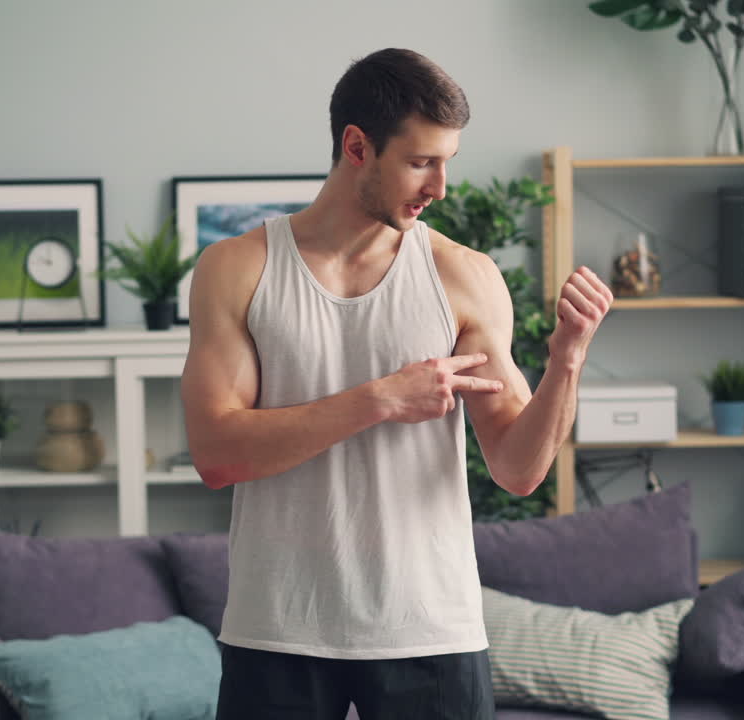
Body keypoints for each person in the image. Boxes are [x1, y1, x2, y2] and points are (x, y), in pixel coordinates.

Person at [181, 47, 613, 720]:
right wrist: (381, 398)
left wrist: (567, 363)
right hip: (278, 629)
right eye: (420, 162)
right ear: (357, 146)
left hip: (431, 631)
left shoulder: (463, 277)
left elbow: (519, 469)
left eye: (448, 162)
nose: (440, 186)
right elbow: (216, 453)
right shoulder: (237, 268)